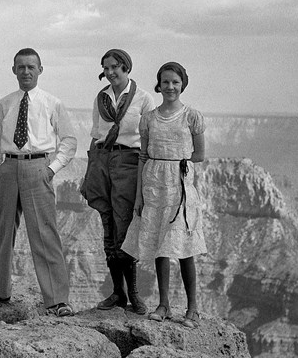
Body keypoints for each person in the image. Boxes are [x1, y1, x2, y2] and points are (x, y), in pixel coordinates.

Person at [0, 48, 76, 317]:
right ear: (13, 70)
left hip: (38, 167)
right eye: (21, 67)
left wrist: (51, 169)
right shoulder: (5, 103)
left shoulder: (52, 103)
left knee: (44, 233)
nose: (26, 72)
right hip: (9, 168)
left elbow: (69, 140)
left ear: (40, 70)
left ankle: (57, 301)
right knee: (4, 230)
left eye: (31, 67)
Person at [133, 61, 207, 328]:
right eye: (166, 82)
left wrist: (178, 162)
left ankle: (192, 309)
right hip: (154, 183)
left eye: (175, 82)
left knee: (184, 247)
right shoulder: (149, 119)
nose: (170, 87)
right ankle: (163, 305)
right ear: (159, 85)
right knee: (159, 246)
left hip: (180, 186)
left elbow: (199, 154)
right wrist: (140, 195)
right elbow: (143, 155)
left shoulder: (192, 117)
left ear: (182, 84)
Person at [82, 49, 154, 313]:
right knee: (108, 227)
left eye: (115, 67)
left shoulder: (144, 100)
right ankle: (117, 293)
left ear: (126, 68)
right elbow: (96, 134)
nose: (110, 72)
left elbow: (147, 139)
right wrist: (90, 170)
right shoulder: (101, 98)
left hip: (128, 163)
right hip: (102, 161)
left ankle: (134, 293)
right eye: (106, 68)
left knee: (125, 228)